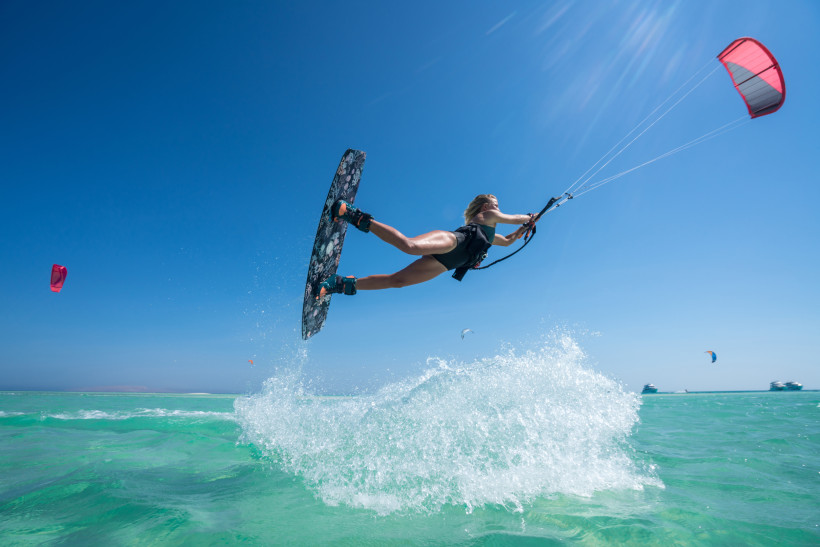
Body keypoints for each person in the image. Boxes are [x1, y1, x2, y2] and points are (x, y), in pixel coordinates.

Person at [317, 194, 534, 298]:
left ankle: (339, 284)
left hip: (447, 263)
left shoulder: (490, 235)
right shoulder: (488, 215)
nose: (498, 208)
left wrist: (526, 227)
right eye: (496, 204)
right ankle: (352, 214)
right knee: (409, 245)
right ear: (486, 206)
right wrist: (528, 217)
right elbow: (514, 218)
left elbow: (506, 241)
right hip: (454, 242)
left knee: (398, 281)